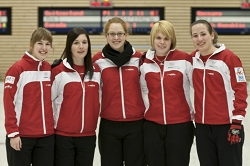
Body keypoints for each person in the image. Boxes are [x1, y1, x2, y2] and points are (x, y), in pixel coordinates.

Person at [190, 19, 248, 166]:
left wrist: (236, 123)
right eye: (195, 35)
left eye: (203, 34)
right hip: (202, 127)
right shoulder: (192, 59)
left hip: (227, 127)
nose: (199, 39)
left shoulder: (230, 58)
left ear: (212, 35)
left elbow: (240, 90)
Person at [139, 20, 194, 166]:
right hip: (152, 126)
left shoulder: (184, 59)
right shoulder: (145, 62)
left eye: (166, 38)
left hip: (180, 126)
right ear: (153, 39)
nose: (162, 42)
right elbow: (143, 90)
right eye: (158, 38)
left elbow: (199, 87)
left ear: (172, 40)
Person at [92, 17, 146, 166]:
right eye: (112, 34)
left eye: (120, 33)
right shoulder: (97, 60)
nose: (116, 38)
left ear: (126, 34)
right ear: (106, 35)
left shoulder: (139, 58)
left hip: (136, 124)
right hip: (109, 125)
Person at [3, 27, 54, 166]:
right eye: (40, 43)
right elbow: (8, 102)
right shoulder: (17, 69)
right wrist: (12, 133)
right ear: (31, 45)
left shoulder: (49, 69)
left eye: (47, 44)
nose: (44, 48)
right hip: (21, 137)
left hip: (46, 137)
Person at [51, 27, 101, 166]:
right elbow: (45, 102)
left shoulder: (96, 72)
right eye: (76, 42)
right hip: (63, 137)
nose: (81, 46)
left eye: (84, 42)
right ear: (69, 46)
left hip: (88, 136)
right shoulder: (58, 71)